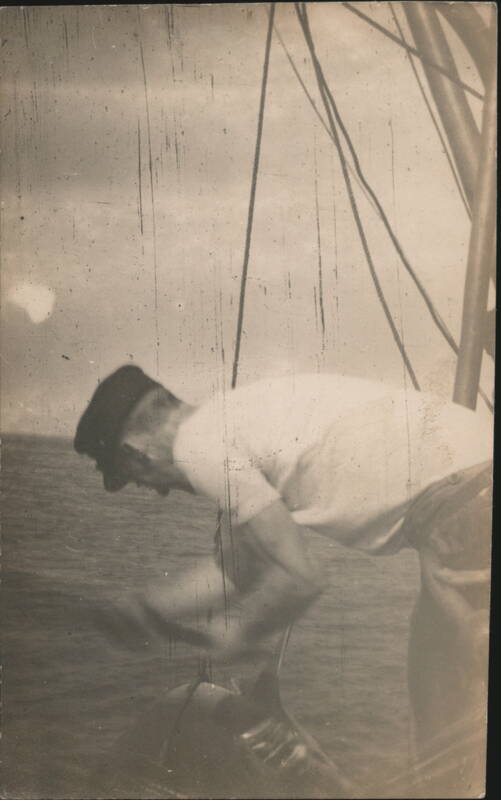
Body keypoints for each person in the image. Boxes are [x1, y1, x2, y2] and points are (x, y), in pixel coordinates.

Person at [75, 364, 493, 792]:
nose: (160, 491)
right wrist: (148, 607)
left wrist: (242, 633)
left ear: (135, 451)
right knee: (438, 685)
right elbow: (237, 570)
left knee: (453, 693)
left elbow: (302, 577)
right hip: (472, 483)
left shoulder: (197, 447)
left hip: (467, 504)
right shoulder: (227, 424)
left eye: (137, 480)